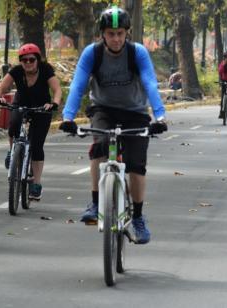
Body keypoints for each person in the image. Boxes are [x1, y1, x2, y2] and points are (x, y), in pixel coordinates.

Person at [59, 6, 167, 244]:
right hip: (103, 110)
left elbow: (150, 83)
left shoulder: (137, 52)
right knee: (100, 146)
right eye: (111, 33)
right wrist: (67, 117)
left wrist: (160, 116)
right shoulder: (92, 53)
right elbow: (78, 86)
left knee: (137, 166)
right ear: (102, 34)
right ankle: (96, 203)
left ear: (127, 33)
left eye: (120, 33)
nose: (116, 38)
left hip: (136, 112)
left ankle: (138, 217)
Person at [0, 43, 62, 201]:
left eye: (31, 59)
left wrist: (54, 103)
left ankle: (36, 184)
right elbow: (2, 86)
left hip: (42, 107)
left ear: (37, 60)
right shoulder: (17, 71)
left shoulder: (46, 70)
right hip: (21, 104)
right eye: (23, 60)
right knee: (13, 127)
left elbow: (57, 90)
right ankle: (13, 153)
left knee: (36, 144)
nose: (27, 63)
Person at [218, 50, 227, 119]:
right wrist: (224, 64)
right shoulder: (222, 63)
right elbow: (220, 72)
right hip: (225, 81)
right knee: (223, 97)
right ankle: (222, 112)